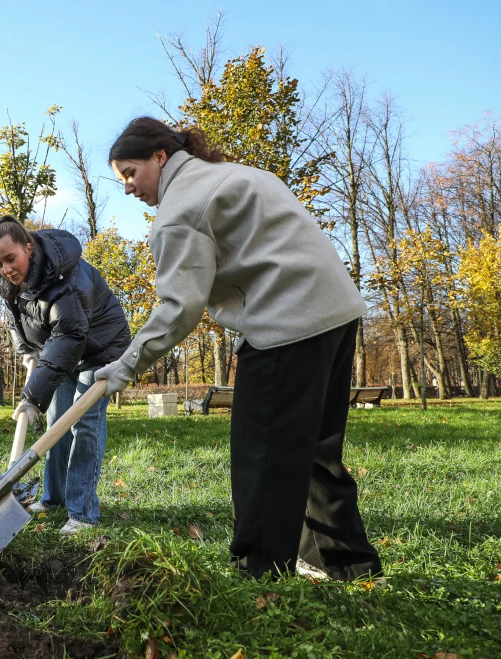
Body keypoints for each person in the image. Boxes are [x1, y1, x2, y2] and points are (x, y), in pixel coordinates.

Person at [95, 117, 383, 582]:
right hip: (337, 311)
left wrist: (125, 368)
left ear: (160, 156)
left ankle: (262, 571)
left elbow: (179, 308)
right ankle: (345, 563)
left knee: (262, 454)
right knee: (316, 449)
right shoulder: (241, 174)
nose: (128, 187)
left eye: (130, 172)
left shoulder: (179, 211)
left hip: (285, 323)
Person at [0, 215, 131, 534]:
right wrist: (28, 354)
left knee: (83, 423)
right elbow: (19, 322)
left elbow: (69, 335)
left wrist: (31, 398)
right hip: (57, 349)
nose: (6, 269)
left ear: (29, 248)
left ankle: (82, 512)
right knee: (56, 422)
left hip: (99, 348)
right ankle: (53, 498)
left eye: (11, 259)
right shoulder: (12, 280)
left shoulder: (67, 279)